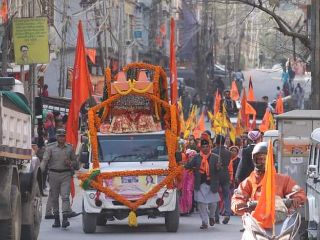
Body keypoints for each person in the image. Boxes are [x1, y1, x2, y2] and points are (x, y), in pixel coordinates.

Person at [231, 142, 306, 218]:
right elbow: (238, 197)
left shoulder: (284, 179)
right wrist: (239, 203)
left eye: (266, 159)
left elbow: (298, 192)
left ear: (272, 160)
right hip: (255, 220)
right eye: (260, 159)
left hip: (279, 219)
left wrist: (297, 198)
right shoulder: (249, 181)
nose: (263, 162)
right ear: (254, 160)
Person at [41, 129, 79, 228]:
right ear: (57, 137)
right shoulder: (50, 148)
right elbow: (45, 160)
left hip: (65, 175)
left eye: (63, 136)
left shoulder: (70, 148)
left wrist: (71, 163)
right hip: (53, 174)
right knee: (54, 198)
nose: (62, 138)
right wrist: (40, 171)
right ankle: (57, 219)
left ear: (65, 137)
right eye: (60, 136)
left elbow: (76, 164)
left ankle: (65, 219)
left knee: (65, 196)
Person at [184, 134, 220, 229]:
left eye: (207, 146)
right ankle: (204, 222)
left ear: (210, 147)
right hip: (200, 184)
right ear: (201, 147)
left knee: (213, 204)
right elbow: (188, 166)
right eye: (203, 147)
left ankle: (211, 216)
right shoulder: (196, 157)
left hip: (212, 184)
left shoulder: (216, 157)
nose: (205, 148)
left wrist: (218, 167)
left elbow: (220, 170)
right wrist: (185, 164)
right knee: (201, 204)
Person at [212, 135, 232, 224]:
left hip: (216, 174)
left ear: (216, 141)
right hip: (225, 173)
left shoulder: (212, 152)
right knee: (226, 195)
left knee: (216, 196)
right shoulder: (228, 152)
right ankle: (227, 213)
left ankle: (216, 216)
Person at [179, 149, 197, 215]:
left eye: (192, 157)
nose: (191, 158)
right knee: (184, 193)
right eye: (190, 157)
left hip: (191, 181)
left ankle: (188, 209)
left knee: (189, 192)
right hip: (184, 181)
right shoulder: (186, 164)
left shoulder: (196, 165)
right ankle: (184, 210)